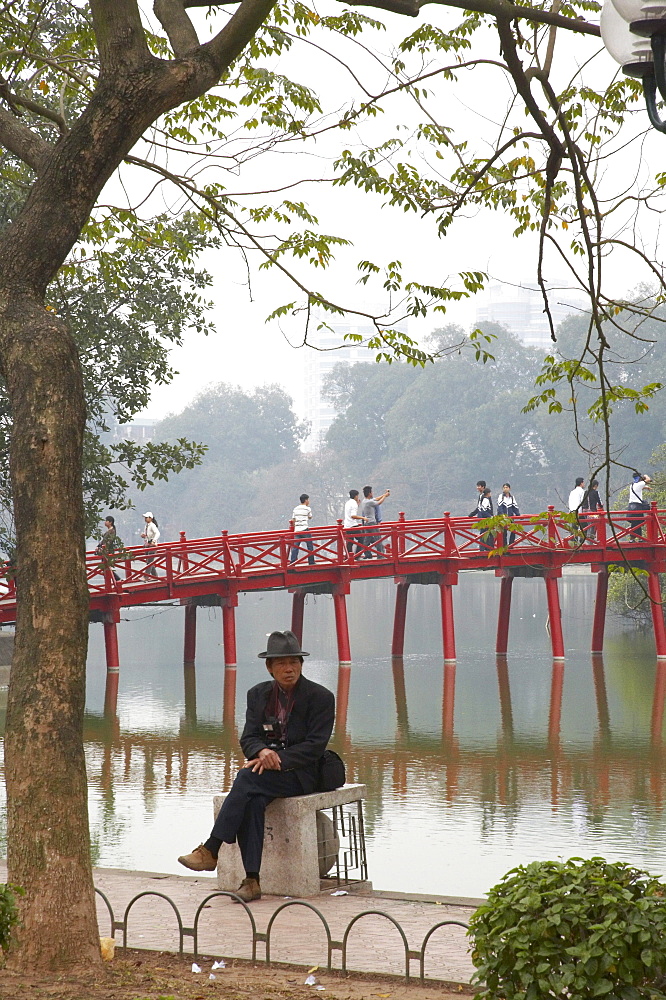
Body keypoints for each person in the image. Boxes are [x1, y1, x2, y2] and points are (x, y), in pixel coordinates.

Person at [178, 630, 336, 902]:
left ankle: (212, 848)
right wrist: (262, 751)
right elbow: (249, 737)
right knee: (252, 797)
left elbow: (315, 745)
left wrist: (280, 760)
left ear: (301, 664)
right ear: (269, 667)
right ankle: (252, 880)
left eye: (294, 662)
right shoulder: (258, 695)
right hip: (265, 774)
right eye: (281, 664)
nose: (289, 669)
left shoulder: (320, 697)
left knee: (246, 778)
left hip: (303, 774)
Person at [359, 485, 390, 558]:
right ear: (370, 493)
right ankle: (380, 555)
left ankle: (366, 553)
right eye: (372, 492)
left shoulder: (364, 501)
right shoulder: (369, 502)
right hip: (372, 523)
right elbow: (378, 503)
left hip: (367, 523)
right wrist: (385, 496)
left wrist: (384, 494)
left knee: (367, 540)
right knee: (378, 539)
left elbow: (376, 499)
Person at [289, 493, 314, 565]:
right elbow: (310, 517)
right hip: (305, 529)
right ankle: (311, 561)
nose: (309, 501)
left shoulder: (295, 509)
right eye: (308, 500)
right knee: (309, 545)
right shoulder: (307, 508)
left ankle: (292, 562)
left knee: (295, 547)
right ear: (306, 500)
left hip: (297, 530)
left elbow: (293, 519)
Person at [96, 515, 123, 581]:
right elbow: (103, 541)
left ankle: (117, 580)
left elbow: (109, 541)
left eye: (106, 521)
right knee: (105, 567)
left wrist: (104, 548)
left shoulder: (112, 531)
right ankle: (116, 580)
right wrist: (98, 546)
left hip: (107, 551)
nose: (105, 522)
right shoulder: (109, 531)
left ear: (110, 522)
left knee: (106, 567)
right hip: (104, 550)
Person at [627, 472, 652, 539]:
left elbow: (639, 488)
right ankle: (639, 538)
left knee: (635, 523)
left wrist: (646, 487)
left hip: (631, 507)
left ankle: (633, 538)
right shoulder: (640, 484)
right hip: (637, 506)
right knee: (639, 523)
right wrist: (645, 475)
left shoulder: (632, 485)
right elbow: (648, 479)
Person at [469, 485, 493, 551]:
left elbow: (480, 509)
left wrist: (471, 514)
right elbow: (483, 510)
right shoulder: (486, 500)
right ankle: (486, 548)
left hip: (482, 518)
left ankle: (484, 548)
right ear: (488, 493)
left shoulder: (482, 498)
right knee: (485, 533)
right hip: (485, 519)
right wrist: (491, 516)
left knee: (484, 533)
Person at [343, 489, 366, 554]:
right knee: (362, 538)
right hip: (352, 525)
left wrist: (357, 505)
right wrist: (363, 518)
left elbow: (350, 512)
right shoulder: (354, 504)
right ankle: (358, 554)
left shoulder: (348, 503)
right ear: (356, 496)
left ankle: (348, 556)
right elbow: (353, 516)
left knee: (350, 541)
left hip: (347, 525)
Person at [141, 511, 160, 579]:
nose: (145, 519)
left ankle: (146, 576)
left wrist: (154, 540)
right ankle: (155, 576)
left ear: (150, 518)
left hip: (152, 546)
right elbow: (148, 535)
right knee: (149, 562)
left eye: (146, 517)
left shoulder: (152, 525)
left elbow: (157, 533)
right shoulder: (146, 526)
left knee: (149, 562)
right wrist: (144, 535)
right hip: (147, 545)